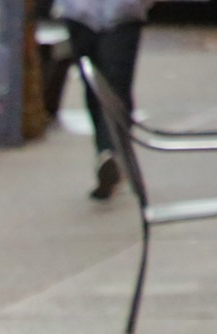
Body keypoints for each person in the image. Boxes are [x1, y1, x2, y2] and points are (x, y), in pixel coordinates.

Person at [58, 0, 150, 199]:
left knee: (116, 86)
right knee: (93, 87)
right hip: (80, 13)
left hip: (122, 13)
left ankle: (110, 152)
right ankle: (109, 155)